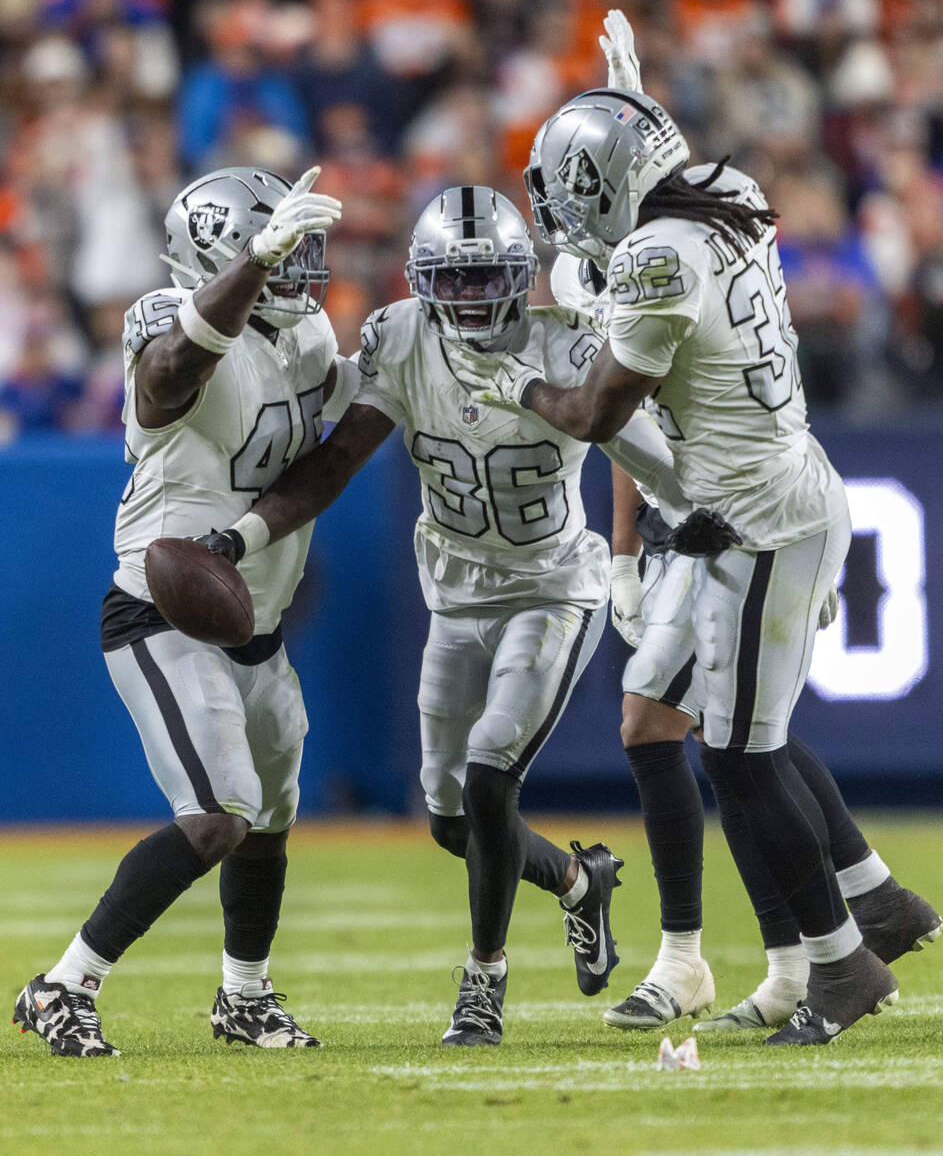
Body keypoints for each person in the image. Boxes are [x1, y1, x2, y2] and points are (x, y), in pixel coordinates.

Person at [455, 85, 917, 1046]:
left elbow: (594, 414)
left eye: (570, 188)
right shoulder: (719, 190)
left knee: (741, 754)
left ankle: (841, 962)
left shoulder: (655, 258)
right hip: (757, 494)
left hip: (753, 522)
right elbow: (622, 266)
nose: (560, 213)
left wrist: (510, 380)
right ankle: (871, 905)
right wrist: (632, 106)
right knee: (676, 724)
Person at [197, 184, 693, 1047]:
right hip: (455, 596)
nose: (467, 298)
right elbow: (340, 456)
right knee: (451, 820)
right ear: (422, 282)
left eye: (484, 278)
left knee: (491, 770)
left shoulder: (569, 344)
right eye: (450, 281)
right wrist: (242, 536)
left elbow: (651, 459)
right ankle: (582, 884)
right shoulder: (397, 337)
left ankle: (483, 984)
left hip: (549, 589)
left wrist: (639, 554)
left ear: (521, 276)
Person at [13, 164, 359, 1056]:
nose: (296, 270)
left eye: (293, 253)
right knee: (217, 816)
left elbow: (323, 462)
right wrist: (247, 270)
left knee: (267, 824)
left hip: (255, 613)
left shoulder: (308, 330)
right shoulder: (165, 319)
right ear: (223, 252)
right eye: (275, 253)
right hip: (160, 610)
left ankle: (244, 997)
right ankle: (63, 987)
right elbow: (167, 379)